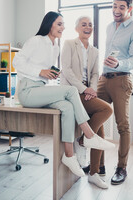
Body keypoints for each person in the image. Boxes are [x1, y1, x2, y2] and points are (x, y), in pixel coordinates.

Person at [13, 11, 115, 177]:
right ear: (50, 24)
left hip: (41, 89)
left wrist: (50, 74)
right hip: (27, 91)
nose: (63, 27)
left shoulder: (55, 47)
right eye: (59, 24)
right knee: (71, 90)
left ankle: (69, 155)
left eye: (63, 24)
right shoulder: (36, 40)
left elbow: (45, 74)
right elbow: (16, 62)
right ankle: (88, 135)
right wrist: (41, 71)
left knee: (67, 107)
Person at [98, 0, 133, 185]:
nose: (116, 10)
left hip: (122, 79)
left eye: (121, 7)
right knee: (95, 119)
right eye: (114, 6)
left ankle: (121, 168)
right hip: (104, 78)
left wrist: (118, 64)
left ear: (129, 8)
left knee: (122, 125)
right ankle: (97, 165)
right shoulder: (109, 27)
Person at [60, 16, 113, 189]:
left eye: (91, 25)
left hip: (87, 93)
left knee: (100, 130)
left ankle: (93, 172)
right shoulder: (68, 44)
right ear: (77, 28)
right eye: (84, 24)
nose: (88, 27)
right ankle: (85, 140)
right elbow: (66, 70)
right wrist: (84, 89)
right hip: (72, 92)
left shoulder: (95, 51)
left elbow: (95, 74)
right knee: (107, 110)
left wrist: (92, 88)